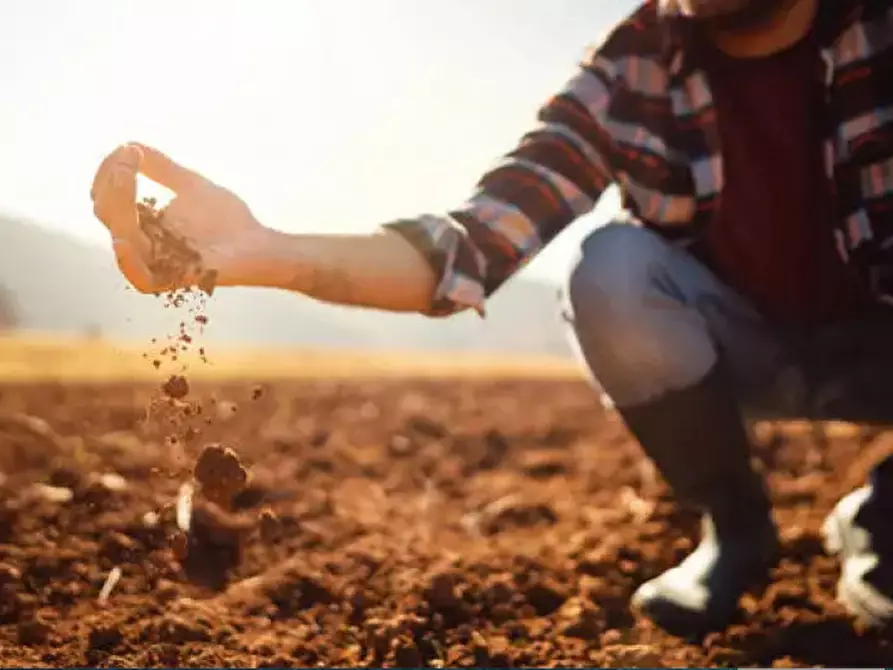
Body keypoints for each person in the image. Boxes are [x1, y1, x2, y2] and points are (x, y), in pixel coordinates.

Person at [91, 0, 893, 636]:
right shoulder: (632, 66)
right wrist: (269, 251)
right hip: (745, 347)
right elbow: (479, 240)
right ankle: (735, 529)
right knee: (610, 268)